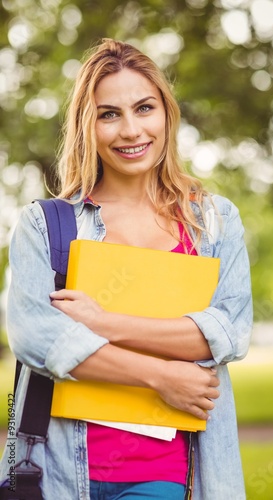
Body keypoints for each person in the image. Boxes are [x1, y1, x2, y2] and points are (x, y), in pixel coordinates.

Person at [0, 39, 253, 499]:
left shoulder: (213, 223)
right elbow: (36, 337)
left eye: (144, 108)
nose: (131, 130)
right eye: (109, 114)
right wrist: (160, 376)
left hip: (165, 472)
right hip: (56, 472)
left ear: (166, 114)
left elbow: (229, 332)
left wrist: (103, 322)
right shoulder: (46, 225)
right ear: (87, 125)